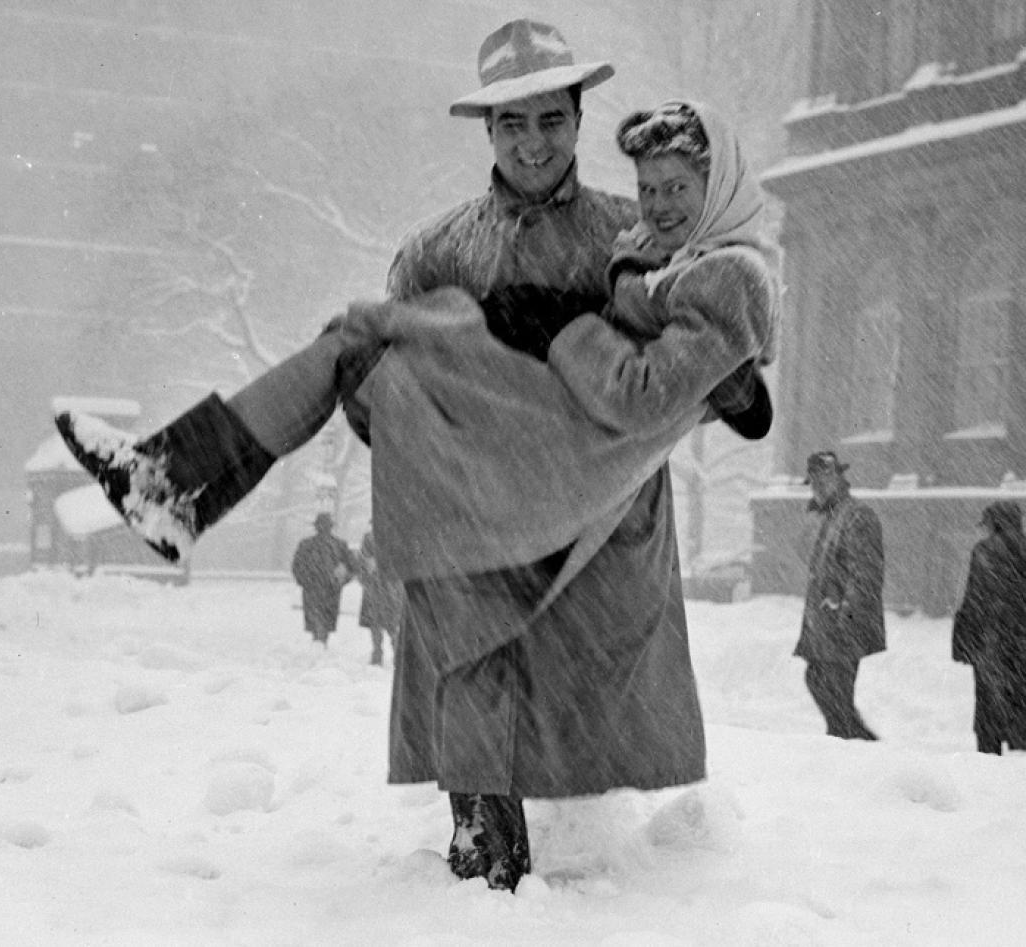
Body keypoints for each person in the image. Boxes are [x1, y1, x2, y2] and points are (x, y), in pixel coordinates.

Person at [54, 20, 781, 891]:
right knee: (469, 659)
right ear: (487, 132)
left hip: (590, 506)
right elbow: (381, 410)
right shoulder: (442, 248)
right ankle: (482, 856)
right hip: (468, 493)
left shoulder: (637, 234)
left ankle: (174, 483)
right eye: (513, 125)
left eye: (550, 120)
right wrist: (399, 401)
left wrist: (718, 379)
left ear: (578, 118)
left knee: (571, 688)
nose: (533, 143)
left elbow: (698, 384)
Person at [951, 501, 1026, 754]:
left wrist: (964, 645)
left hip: (993, 644)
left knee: (990, 717)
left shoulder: (985, 551)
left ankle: (991, 770)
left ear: (995, 522)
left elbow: (975, 598)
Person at [793, 451, 885, 741]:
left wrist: (848, 612)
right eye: (813, 482)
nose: (817, 487)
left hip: (843, 625)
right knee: (818, 681)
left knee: (834, 691)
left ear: (838, 478)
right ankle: (856, 742)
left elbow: (866, 572)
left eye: (824, 479)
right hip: (826, 624)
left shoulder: (857, 515)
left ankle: (853, 748)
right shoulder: (831, 517)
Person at [291, 512, 356, 646]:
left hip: (331, 589)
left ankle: (320, 645)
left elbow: (351, 567)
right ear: (316, 527)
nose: (323, 528)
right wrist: (305, 581)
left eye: (325, 525)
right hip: (313, 589)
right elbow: (297, 566)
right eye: (321, 525)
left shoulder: (340, 545)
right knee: (317, 620)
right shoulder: (306, 544)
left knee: (325, 621)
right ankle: (318, 645)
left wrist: (341, 581)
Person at [358, 529, 404, 666]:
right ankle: (379, 653)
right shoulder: (369, 538)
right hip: (377, 587)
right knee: (378, 623)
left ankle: (394, 653)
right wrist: (366, 575)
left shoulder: (398, 536)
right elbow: (362, 562)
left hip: (390, 587)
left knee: (391, 623)